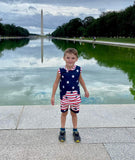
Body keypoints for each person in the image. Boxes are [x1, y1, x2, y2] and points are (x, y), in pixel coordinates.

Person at [51, 48, 89, 143]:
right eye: (68, 58)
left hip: (75, 97)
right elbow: (56, 83)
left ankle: (75, 130)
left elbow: (81, 80)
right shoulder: (61, 71)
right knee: (64, 113)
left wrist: (86, 90)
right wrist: (52, 96)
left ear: (76, 59)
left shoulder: (78, 69)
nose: (70, 60)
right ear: (64, 58)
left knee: (74, 114)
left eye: (73, 58)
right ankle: (62, 130)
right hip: (64, 97)